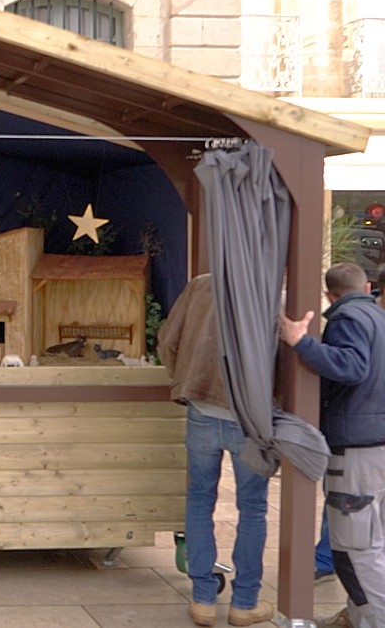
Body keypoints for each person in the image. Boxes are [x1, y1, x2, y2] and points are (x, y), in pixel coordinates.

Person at [159, 274, 275, 627]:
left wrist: (183, 377)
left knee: (199, 500)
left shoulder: (200, 285)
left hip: (202, 410)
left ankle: (203, 600)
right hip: (251, 418)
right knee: (252, 508)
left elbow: (168, 339)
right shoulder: (269, 288)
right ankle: (244, 602)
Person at [280, 263, 385, 628]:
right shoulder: (378, 317)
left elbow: (352, 367)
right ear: (367, 285)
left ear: (329, 295)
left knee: (355, 551)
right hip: (377, 448)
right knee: (372, 545)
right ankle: (357, 617)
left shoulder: (347, 318)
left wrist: (301, 343)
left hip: (356, 450)